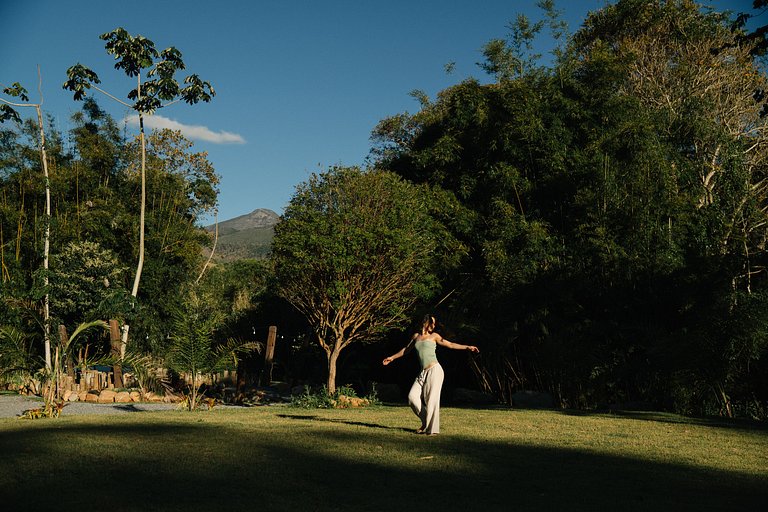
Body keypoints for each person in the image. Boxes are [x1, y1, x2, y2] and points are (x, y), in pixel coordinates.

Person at [382, 314, 479, 435]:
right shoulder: (416, 336)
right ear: (426, 322)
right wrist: (392, 357)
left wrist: (467, 347)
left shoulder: (434, 336)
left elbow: (450, 344)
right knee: (412, 397)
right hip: (423, 372)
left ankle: (431, 430)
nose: (434, 325)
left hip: (435, 370)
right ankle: (425, 422)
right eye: (432, 322)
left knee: (431, 400)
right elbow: (406, 350)